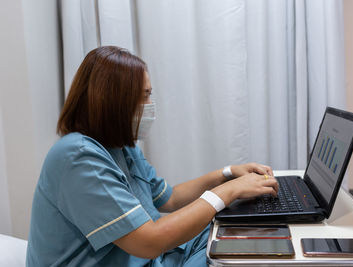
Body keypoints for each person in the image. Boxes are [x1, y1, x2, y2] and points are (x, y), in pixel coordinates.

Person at [26, 46, 279, 266]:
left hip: (151, 259)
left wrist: (226, 174)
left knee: (235, 238)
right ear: (116, 101)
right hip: (146, 254)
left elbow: (169, 198)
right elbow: (148, 242)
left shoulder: (120, 145)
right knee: (231, 254)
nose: (150, 104)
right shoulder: (78, 158)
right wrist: (229, 192)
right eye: (145, 95)